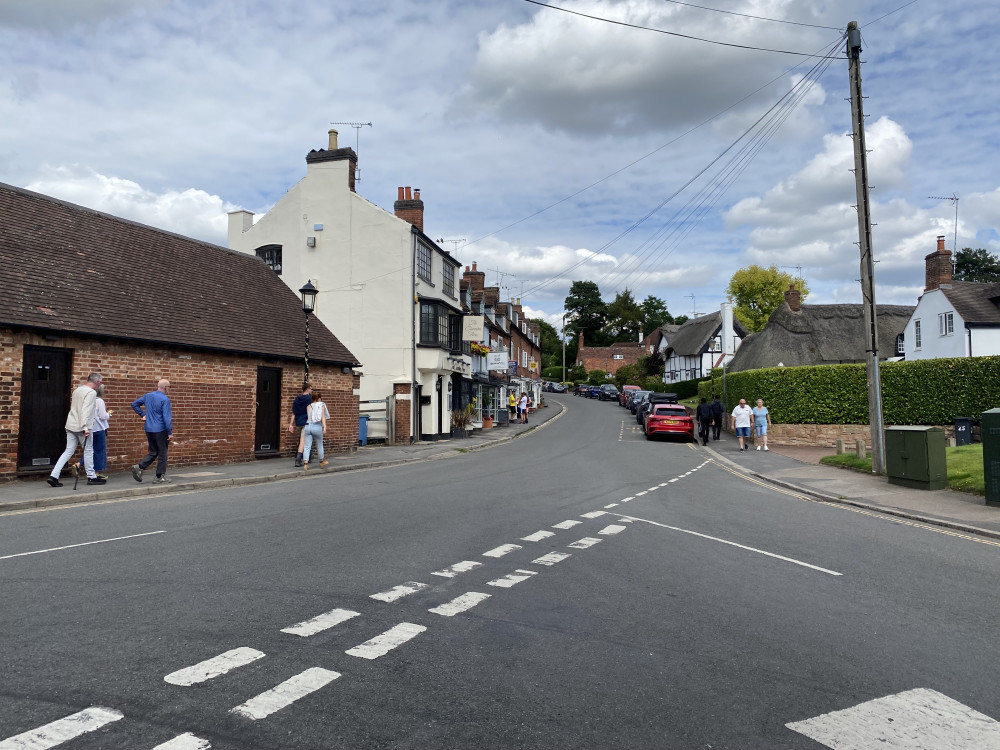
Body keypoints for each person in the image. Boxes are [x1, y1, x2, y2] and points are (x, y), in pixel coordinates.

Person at [48, 373, 104, 487]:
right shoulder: (91, 393)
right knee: (88, 451)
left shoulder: (77, 390)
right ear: (97, 382)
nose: (100, 385)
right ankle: (92, 477)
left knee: (68, 451)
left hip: (71, 424)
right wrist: (85, 427)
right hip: (82, 426)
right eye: (100, 382)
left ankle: (54, 476)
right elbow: (86, 410)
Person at [131, 378, 173, 484]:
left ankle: (140, 467)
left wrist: (143, 414)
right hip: (161, 429)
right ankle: (159, 476)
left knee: (153, 451)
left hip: (149, 428)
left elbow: (134, 404)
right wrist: (170, 432)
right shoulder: (165, 399)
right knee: (163, 453)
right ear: (166, 388)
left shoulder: (148, 396)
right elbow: (166, 418)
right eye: (169, 387)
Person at [81, 383, 111, 480]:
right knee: (99, 451)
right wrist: (109, 414)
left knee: (89, 450)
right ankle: (96, 472)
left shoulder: (85, 400)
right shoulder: (99, 401)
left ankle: (78, 464)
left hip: (88, 428)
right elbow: (103, 416)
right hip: (99, 428)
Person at [302, 390, 330, 469]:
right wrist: (324, 427)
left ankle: (305, 463)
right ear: (319, 398)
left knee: (307, 446)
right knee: (319, 444)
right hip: (316, 426)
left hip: (308, 426)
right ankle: (321, 461)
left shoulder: (308, 406)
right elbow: (322, 417)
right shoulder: (321, 405)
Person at [288, 382, 312, 467]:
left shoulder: (297, 399)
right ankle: (298, 460)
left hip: (298, 422)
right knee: (303, 441)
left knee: (304, 439)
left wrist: (291, 424)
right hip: (306, 422)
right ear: (307, 389)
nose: (311, 390)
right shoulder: (309, 399)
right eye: (311, 388)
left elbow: (293, 413)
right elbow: (310, 411)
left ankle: (308, 456)